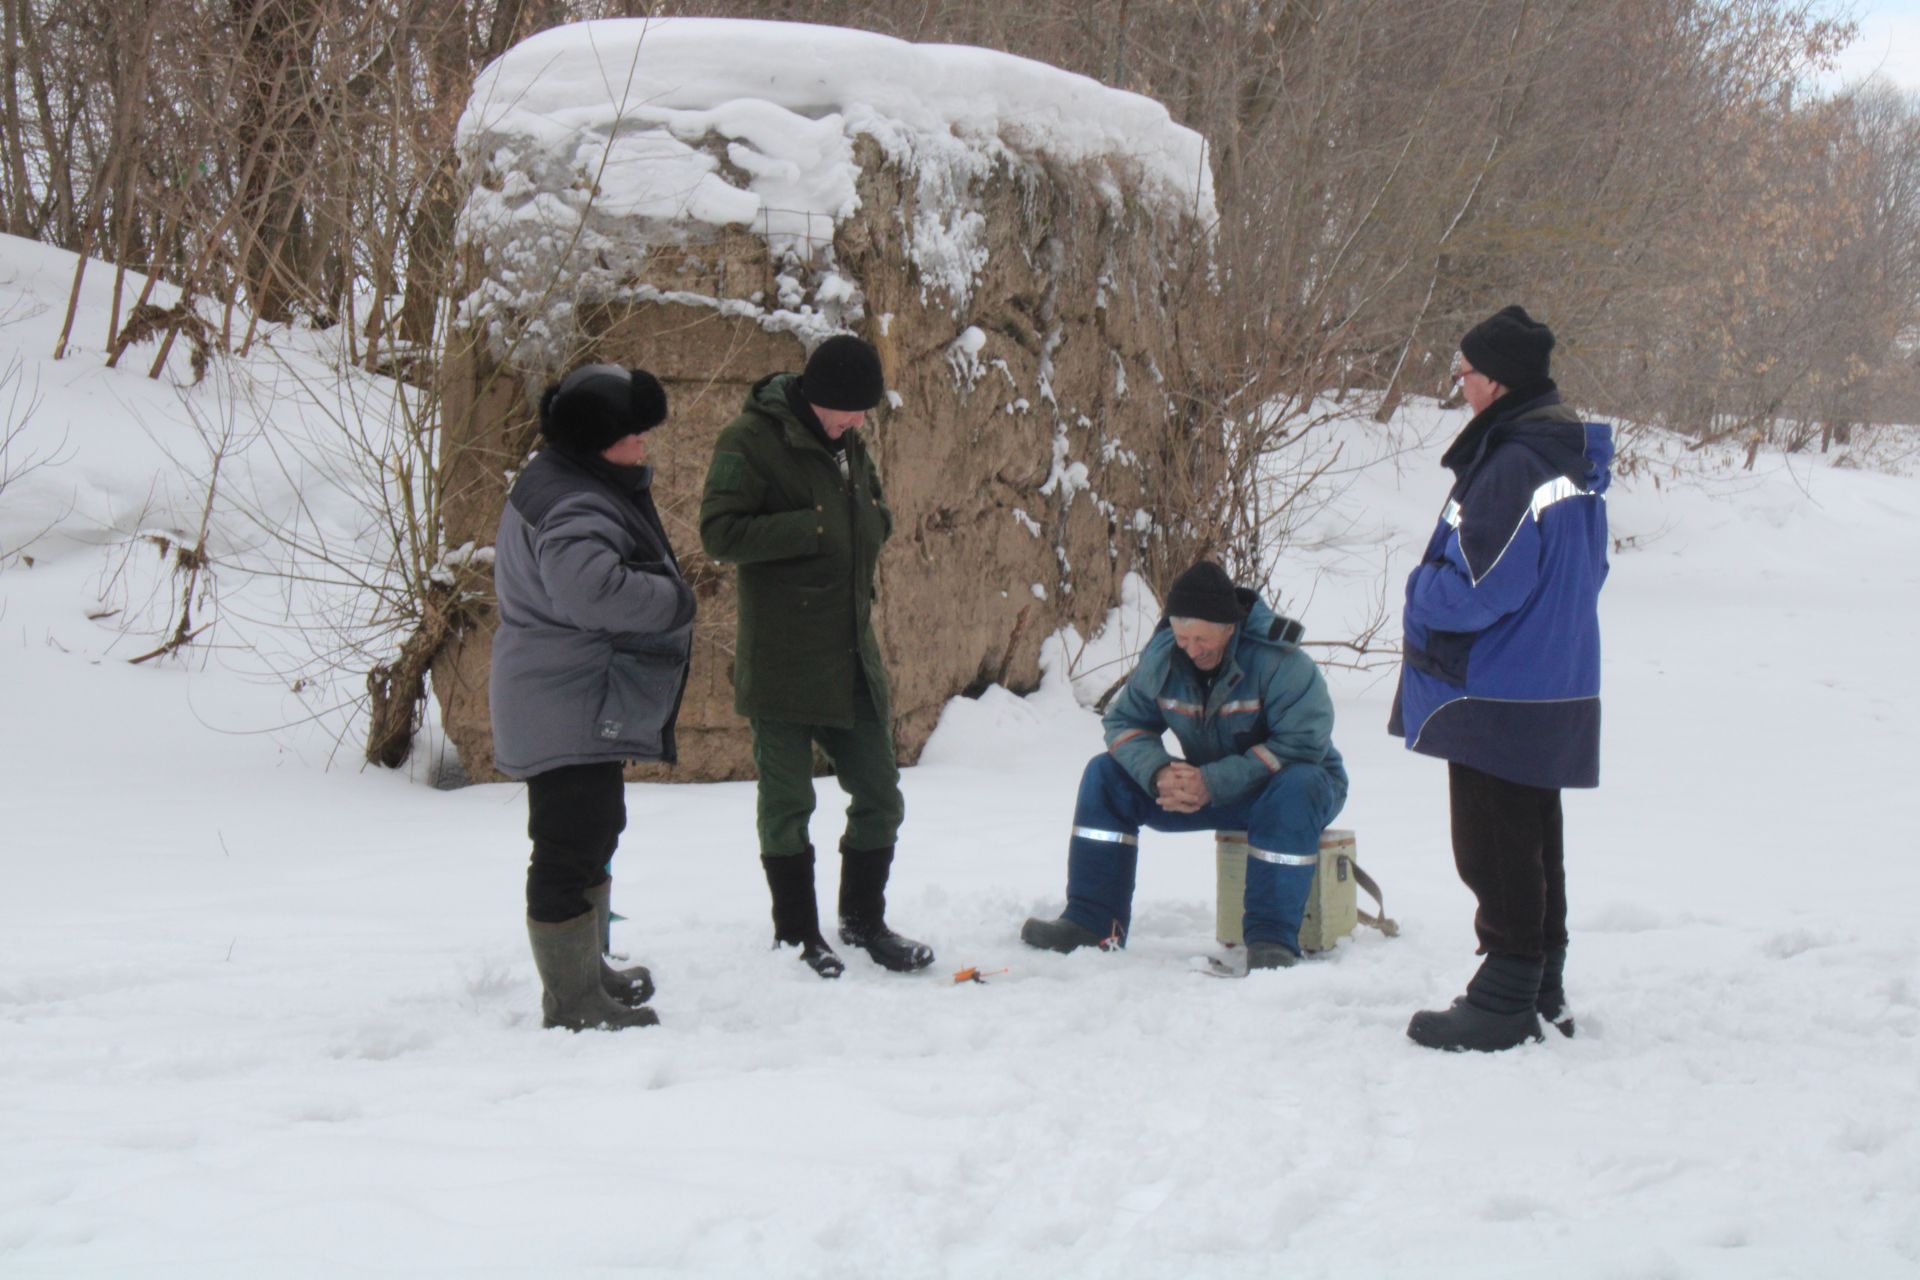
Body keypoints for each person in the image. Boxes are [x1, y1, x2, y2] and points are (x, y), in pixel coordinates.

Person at [1390, 305, 1611, 1052]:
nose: (1459, 388)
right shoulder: (1562, 453)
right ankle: (1540, 985)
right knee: (1532, 831)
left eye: (1464, 374)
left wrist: (1421, 594)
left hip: (1496, 685)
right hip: (1550, 675)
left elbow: (1484, 585)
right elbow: (1591, 571)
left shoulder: (1514, 460)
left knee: (1492, 840)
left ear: (1497, 381)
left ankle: (1505, 996)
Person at [697, 334, 934, 979]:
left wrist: (871, 526)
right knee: (787, 805)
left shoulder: (848, 443)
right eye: (849, 411)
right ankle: (798, 935)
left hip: (853, 655)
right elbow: (717, 533)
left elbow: (875, 512)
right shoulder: (748, 441)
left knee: (881, 796)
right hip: (781, 660)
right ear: (815, 397)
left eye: (863, 412)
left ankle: (863, 924)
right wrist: (812, 528)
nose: (859, 423)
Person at [491, 363, 696, 1031]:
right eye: (634, 435)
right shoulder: (575, 500)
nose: (644, 446)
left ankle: (586, 975)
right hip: (565, 698)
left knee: (593, 829)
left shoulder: (566, 477)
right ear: (599, 439)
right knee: (569, 845)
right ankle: (572, 1001)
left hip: (569, 694)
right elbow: (590, 592)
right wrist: (673, 599)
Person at [1022, 560, 1348, 967]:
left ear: (1229, 627)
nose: (1191, 649)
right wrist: (1160, 774)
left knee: (1297, 787)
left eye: (1202, 639)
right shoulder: (1164, 656)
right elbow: (1124, 722)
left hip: (1292, 785)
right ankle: (1091, 922)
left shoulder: (1281, 659)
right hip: (1205, 787)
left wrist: (1213, 781)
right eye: (1182, 637)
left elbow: (1303, 745)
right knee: (1104, 776)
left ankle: (1271, 941)